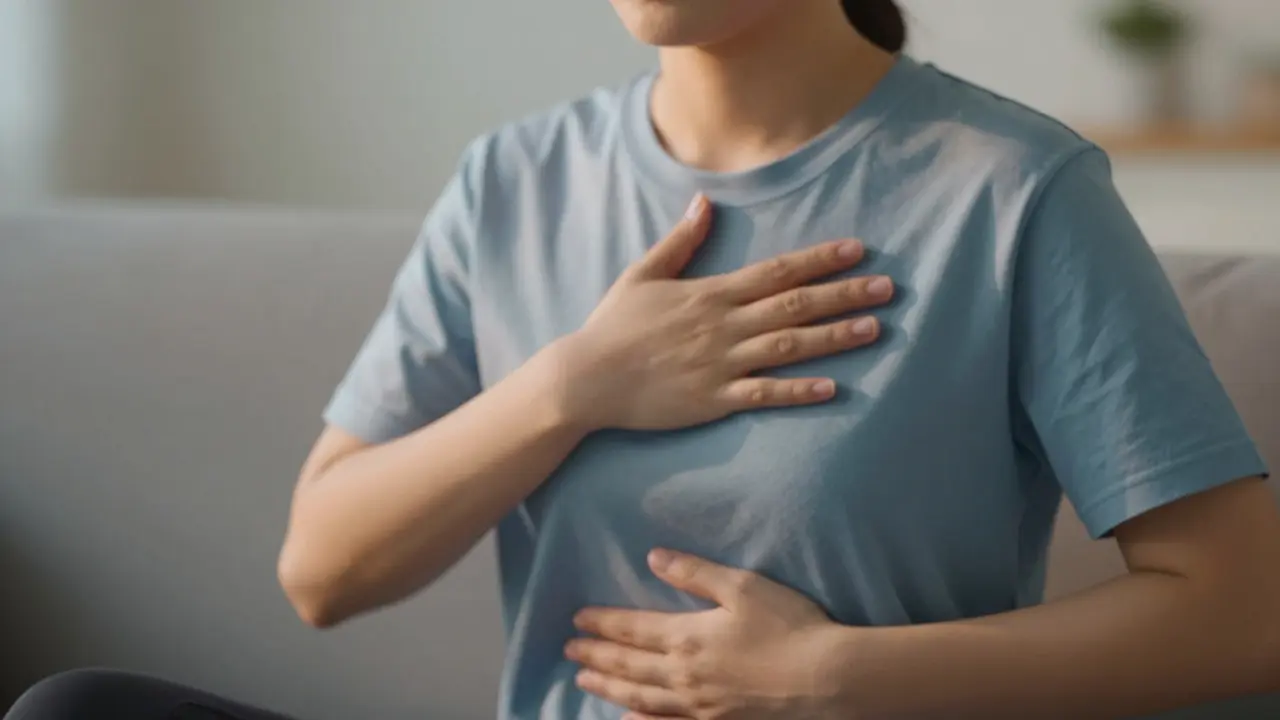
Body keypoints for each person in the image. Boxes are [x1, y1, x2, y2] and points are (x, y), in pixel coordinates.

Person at [9, 1, 1280, 719]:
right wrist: (572, 386)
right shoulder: (511, 181)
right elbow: (321, 569)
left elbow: (1240, 611)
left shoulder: (1011, 193)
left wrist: (831, 678)